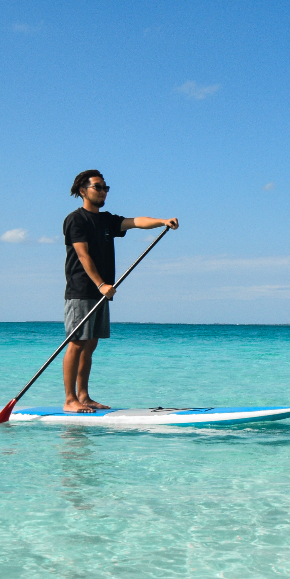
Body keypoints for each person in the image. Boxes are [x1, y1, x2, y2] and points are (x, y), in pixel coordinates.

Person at [62, 169, 178, 413]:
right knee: (76, 342)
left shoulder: (106, 220)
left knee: (91, 344)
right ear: (83, 191)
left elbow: (135, 222)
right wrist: (101, 284)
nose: (103, 191)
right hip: (82, 290)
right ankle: (69, 400)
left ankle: (83, 396)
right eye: (98, 187)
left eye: (106, 187)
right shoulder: (76, 220)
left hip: (102, 292)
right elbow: (82, 255)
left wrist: (162, 222)